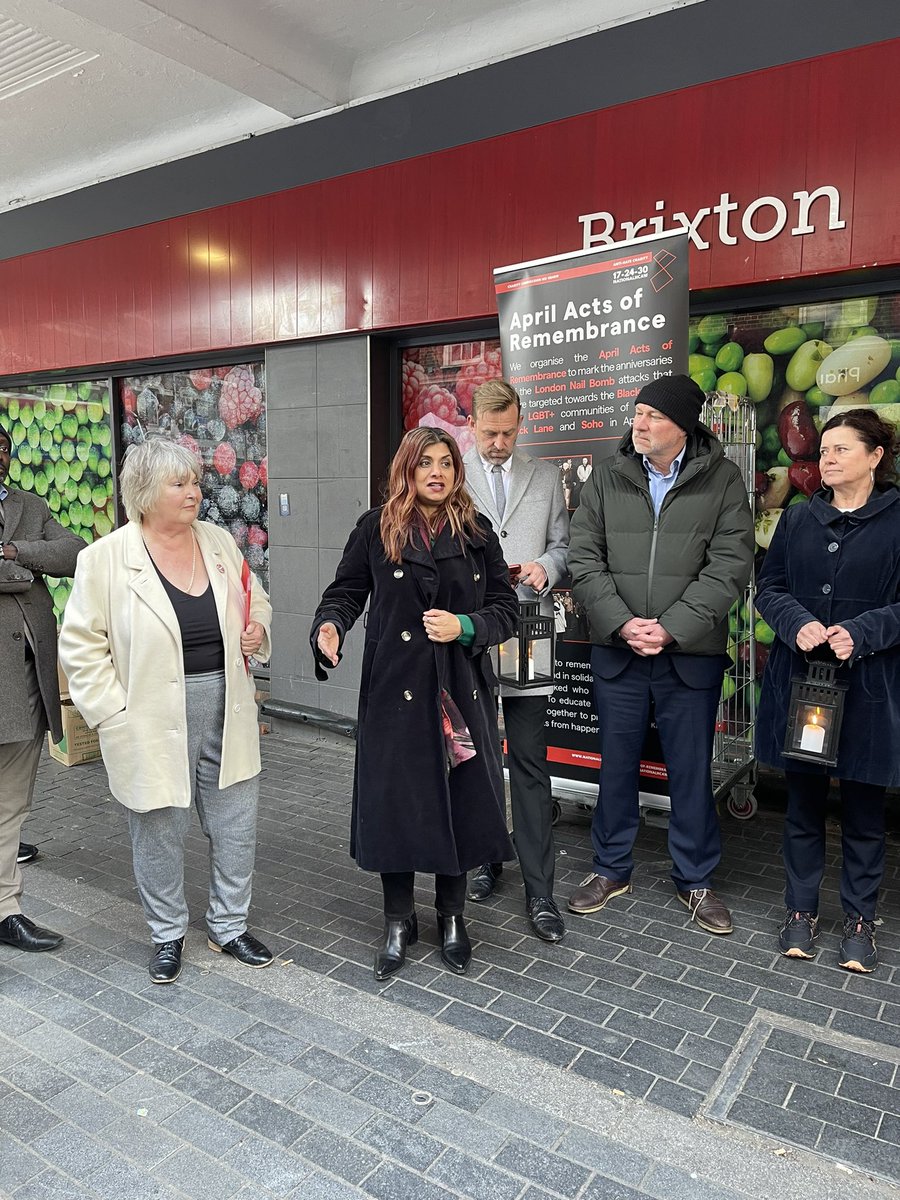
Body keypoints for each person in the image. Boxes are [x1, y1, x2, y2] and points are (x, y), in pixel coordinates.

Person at [59, 438, 273, 984]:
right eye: (179, 484)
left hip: (226, 702)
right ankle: (167, 933)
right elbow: (81, 647)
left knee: (235, 820)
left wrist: (258, 630)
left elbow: (257, 596)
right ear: (145, 493)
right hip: (149, 714)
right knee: (158, 827)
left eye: (195, 482)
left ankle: (229, 926)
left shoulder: (219, 542)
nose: (193, 493)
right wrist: (113, 716)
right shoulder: (104, 559)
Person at [311, 426, 518, 980]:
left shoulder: (476, 533)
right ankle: (397, 920)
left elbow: (506, 609)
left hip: (458, 689)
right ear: (406, 468)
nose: (437, 472)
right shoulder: (376, 529)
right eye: (425, 462)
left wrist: (466, 625)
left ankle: (453, 916)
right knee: (397, 804)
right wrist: (330, 627)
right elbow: (346, 592)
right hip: (394, 690)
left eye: (447, 463)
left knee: (459, 801)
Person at [567, 375, 753, 935]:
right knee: (616, 767)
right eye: (637, 413)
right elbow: (584, 557)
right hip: (620, 652)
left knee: (690, 772)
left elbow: (730, 566)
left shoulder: (723, 480)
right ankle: (610, 868)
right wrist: (624, 623)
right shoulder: (607, 476)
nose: (639, 425)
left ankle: (695, 879)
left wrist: (670, 629)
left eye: (652, 416)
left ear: (684, 425)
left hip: (688, 657)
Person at [755, 409, 900, 973]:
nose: (827, 459)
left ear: (875, 456)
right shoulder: (796, 519)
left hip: (869, 686)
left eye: (841, 449)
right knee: (804, 805)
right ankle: (801, 910)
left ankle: (860, 918)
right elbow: (769, 587)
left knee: (865, 811)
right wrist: (796, 622)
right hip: (803, 683)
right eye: (825, 450)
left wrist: (862, 632)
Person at [462, 380, 570, 941]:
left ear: (520, 423)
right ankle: (486, 859)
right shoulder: (449, 472)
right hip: (473, 635)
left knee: (530, 761)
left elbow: (566, 545)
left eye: (509, 432)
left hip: (529, 629)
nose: (500, 443)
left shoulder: (547, 476)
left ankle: (541, 890)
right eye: (490, 433)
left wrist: (546, 568)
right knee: (478, 756)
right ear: (472, 423)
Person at [0, 423, 85, 954]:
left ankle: (5, 908)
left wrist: (13, 552)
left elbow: (75, 552)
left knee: (10, 804)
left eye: (4, 446)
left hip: (23, 684)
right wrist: (23, 574)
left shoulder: (28, 505)